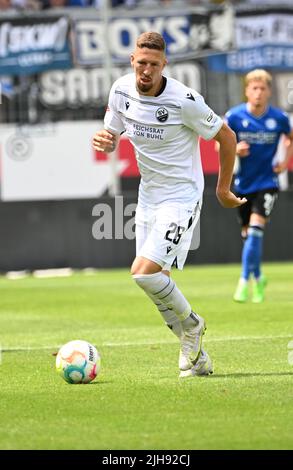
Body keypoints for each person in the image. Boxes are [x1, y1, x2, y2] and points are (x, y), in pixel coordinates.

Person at [93, 32, 245, 378]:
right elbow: (111, 133)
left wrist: (223, 189)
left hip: (181, 196)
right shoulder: (120, 90)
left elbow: (227, 137)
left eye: (154, 65)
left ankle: (192, 326)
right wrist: (105, 139)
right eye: (141, 63)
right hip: (149, 195)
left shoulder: (184, 100)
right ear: (132, 60)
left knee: (142, 272)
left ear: (165, 65)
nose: (146, 70)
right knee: (155, 282)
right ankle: (198, 357)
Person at [225, 69, 293, 303]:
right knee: (249, 237)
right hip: (242, 185)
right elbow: (218, 146)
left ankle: (244, 282)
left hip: (268, 183)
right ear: (247, 91)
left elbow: (290, 137)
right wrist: (234, 149)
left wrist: (285, 161)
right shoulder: (233, 117)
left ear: (269, 92)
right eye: (254, 88)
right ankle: (259, 276)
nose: (258, 92)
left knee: (254, 232)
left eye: (263, 88)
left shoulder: (279, 118)